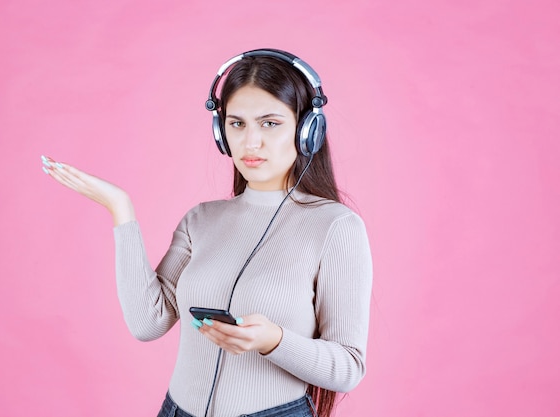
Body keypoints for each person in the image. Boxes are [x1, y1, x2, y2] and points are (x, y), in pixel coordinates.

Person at [42, 49, 372, 417]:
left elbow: (348, 367)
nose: (250, 143)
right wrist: (120, 209)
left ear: (308, 130)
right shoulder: (200, 220)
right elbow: (148, 322)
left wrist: (272, 340)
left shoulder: (335, 227)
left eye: (270, 123)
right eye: (237, 123)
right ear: (220, 131)